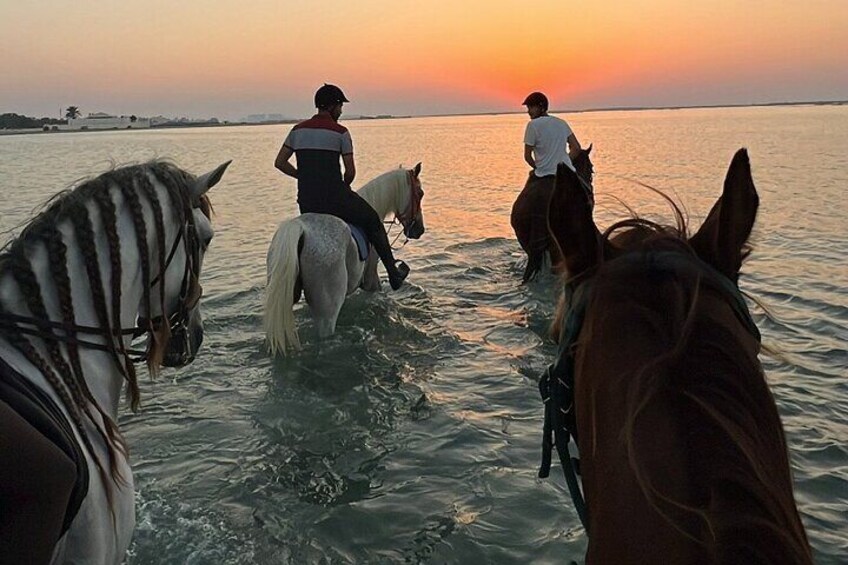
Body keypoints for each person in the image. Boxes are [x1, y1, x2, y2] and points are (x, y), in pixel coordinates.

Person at [274, 84, 409, 290]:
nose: (341, 111)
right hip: (335, 199)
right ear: (332, 106)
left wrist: (303, 176)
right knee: (373, 221)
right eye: (340, 106)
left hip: (307, 201)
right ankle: (394, 273)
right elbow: (350, 172)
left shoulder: (297, 130)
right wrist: (344, 187)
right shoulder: (341, 132)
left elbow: (280, 163)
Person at [522, 91, 582, 176]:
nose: (528, 111)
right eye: (528, 108)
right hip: (567, 171)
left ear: (541, 107)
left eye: (531, 107)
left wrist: (538, 169)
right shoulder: (562, 123)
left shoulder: (532, 125)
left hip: (545, 173)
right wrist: (565, 162)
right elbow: (576, 148)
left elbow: (527, 157)